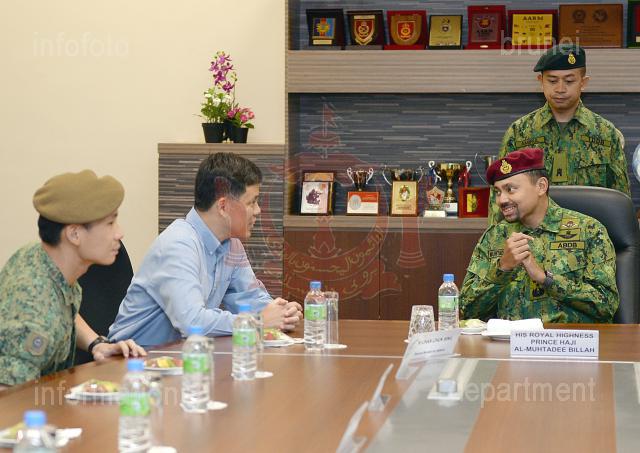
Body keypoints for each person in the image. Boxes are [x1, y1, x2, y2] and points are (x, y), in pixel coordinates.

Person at [109, 152, 302, 346]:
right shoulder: (178, 245)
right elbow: (192, 321)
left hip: (182, 356)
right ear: (223, 207)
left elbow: (249, 299)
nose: (258, 210)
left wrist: (281, 312)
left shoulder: (232, 245)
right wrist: (257, 321)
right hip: (130, 357)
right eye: (251, 202)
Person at [0, 170, 146, 388]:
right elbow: (8, 394)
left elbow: (63, 309)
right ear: (74, 234)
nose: (119, 233)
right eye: (110, 223)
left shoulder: (44, 258)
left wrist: (96, 344)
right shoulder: (33, 309)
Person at [460, 148, 619, 323]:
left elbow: (607, 306)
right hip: (508, 339)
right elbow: (467, 310)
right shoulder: (494, 237)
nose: (501, 200)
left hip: (569, 338)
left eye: (510, 189)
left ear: (541, 186)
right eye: (498, 192)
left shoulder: (589, 230)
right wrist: (502, 269)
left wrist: (546, 279)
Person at [488, 44, 630, 223]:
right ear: (541, 81)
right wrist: (497, 238)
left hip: (589, 236)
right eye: (552, 81)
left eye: (569, 81)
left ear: (583, 83)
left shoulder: (605, 133)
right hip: (532, 237)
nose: (560, 89)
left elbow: (620, 201)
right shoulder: (520, 133)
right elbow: (500, 196)